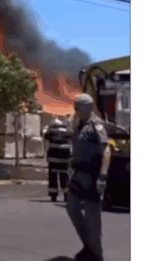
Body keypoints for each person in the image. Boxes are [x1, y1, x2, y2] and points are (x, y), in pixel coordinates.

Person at [66, 93, 111, 261]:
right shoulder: (79, 124)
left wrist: (103, 176)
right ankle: (88, 246)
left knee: (93, 217)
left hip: (92, 175)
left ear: (86, 107)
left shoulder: (96, 125)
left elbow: (106, 150)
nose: (75, 109)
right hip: (78, 174)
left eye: (77, 106)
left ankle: (95, 254)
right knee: (72, 208)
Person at [42, 118, 72, 202]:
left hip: (52, 158)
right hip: (64, 158)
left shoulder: (50, 132)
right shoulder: (68, 132)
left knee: (53, 175)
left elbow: (43, 134)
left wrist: (47, 127)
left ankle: (53, 194)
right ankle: (66, 194)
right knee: (65, 175)